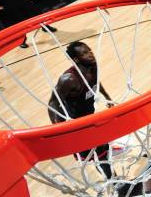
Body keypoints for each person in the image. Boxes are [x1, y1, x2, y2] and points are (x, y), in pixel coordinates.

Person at [48, 41, 115, 179]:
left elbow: (96, 82)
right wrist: (58, 128)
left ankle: (112, 176)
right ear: (76, 59)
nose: (90, 54)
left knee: (104, 150)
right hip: (76, 125)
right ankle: (113, 182)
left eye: (89, 50)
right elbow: (53, 103)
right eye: (85, 53)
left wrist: (107, 97)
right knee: (99, 155)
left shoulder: (93, 66)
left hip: (89, 117)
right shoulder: (69, 79)